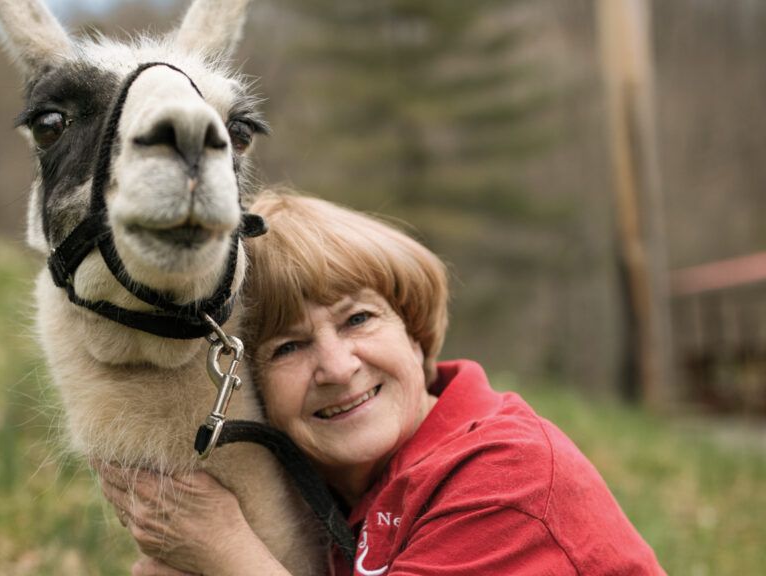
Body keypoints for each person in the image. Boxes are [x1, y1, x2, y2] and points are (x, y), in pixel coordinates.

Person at [96, 192, 665, 575]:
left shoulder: (506, 477)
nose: (339, 367)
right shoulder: (322, 490)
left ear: (414, 332)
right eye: (288, 347)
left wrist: (225, 548)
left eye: (358, 319)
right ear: (250, 388)